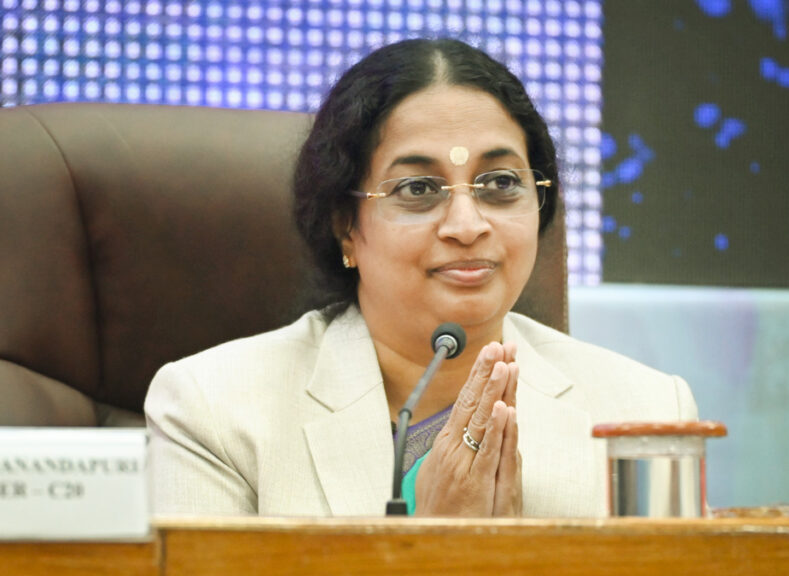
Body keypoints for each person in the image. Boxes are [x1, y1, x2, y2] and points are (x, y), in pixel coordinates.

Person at [145, 38, 698, 517]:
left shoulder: (645, 416)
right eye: (418, 189)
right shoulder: (214, 412)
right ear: (345, 228)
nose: (467, 225)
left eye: (500, 183)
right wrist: (429, 544)